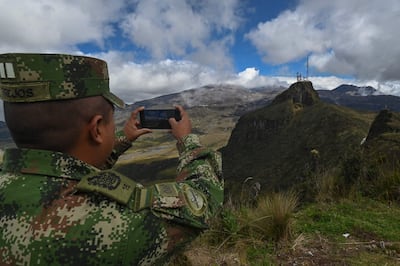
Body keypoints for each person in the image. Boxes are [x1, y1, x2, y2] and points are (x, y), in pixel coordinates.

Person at [0, 53, 224, 265]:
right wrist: (187, 140)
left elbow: (69, 167)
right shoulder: (117, 222)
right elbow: (204, 198)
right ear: (97, 128)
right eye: (111, 122)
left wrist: (122, 140)